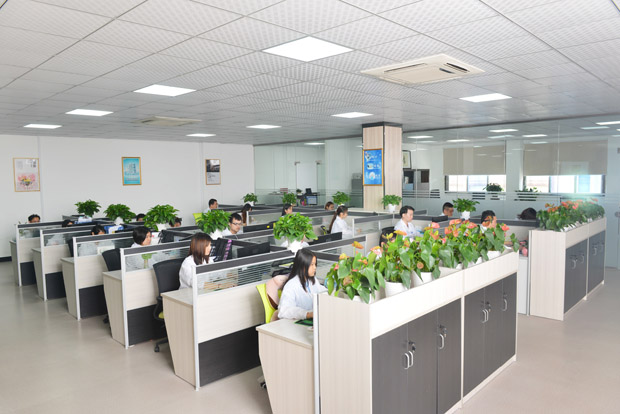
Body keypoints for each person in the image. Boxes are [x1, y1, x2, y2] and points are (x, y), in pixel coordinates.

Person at [278, 249, 327, 320]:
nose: (315, 267)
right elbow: (284, 311)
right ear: (302, 266)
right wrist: (307, 314)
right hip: (296, 322)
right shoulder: (291, 285)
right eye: (312, 265)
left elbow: (322, 292)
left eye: (315, 264)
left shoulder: (312, 280)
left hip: (313, 319)